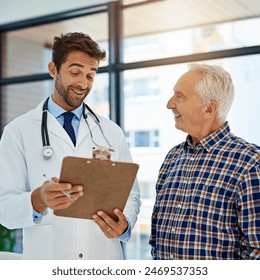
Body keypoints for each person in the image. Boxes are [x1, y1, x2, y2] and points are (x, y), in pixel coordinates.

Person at [0, 32, 141, 260]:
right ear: (54, 69)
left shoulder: (110, 131)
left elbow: (131, 195)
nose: (83, 84)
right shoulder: (18, 131)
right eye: (75, 72)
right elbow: (4, 208)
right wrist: (38, 199)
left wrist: (124, 224)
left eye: (91, 75)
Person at [149, 63, 260, 260]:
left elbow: (256, 252)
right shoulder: (172, 158)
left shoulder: (250, 163)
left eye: (180, 96)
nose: (169, 104)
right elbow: (156, 239)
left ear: (209, 108)